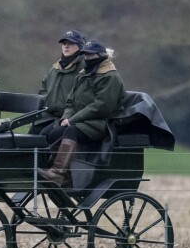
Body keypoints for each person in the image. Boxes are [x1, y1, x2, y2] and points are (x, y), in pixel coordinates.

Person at [38, 39, 125, 188]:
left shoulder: (110, 77)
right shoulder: (83, 74)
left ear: (100, 56)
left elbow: (101, 107)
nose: (87, 58)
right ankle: (66, 177)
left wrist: (72, 120)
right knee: (54, 134)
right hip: (81, 121)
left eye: (91, 56)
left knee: (71, 131)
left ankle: (58, 173)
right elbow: (70, 101)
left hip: (100, 124)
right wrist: (66, 117)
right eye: (85, 55)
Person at [34, 29, 86, 132]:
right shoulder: (54, 68)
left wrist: (68, 114)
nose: (66, 46)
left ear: (80, 46)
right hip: (49, 116)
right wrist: (47, 101)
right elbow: (43, 89)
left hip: (71, 119)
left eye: (71, 43)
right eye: (64, 43)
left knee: (44, 137)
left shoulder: (85, 68)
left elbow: (85, 98)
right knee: (29, 137)